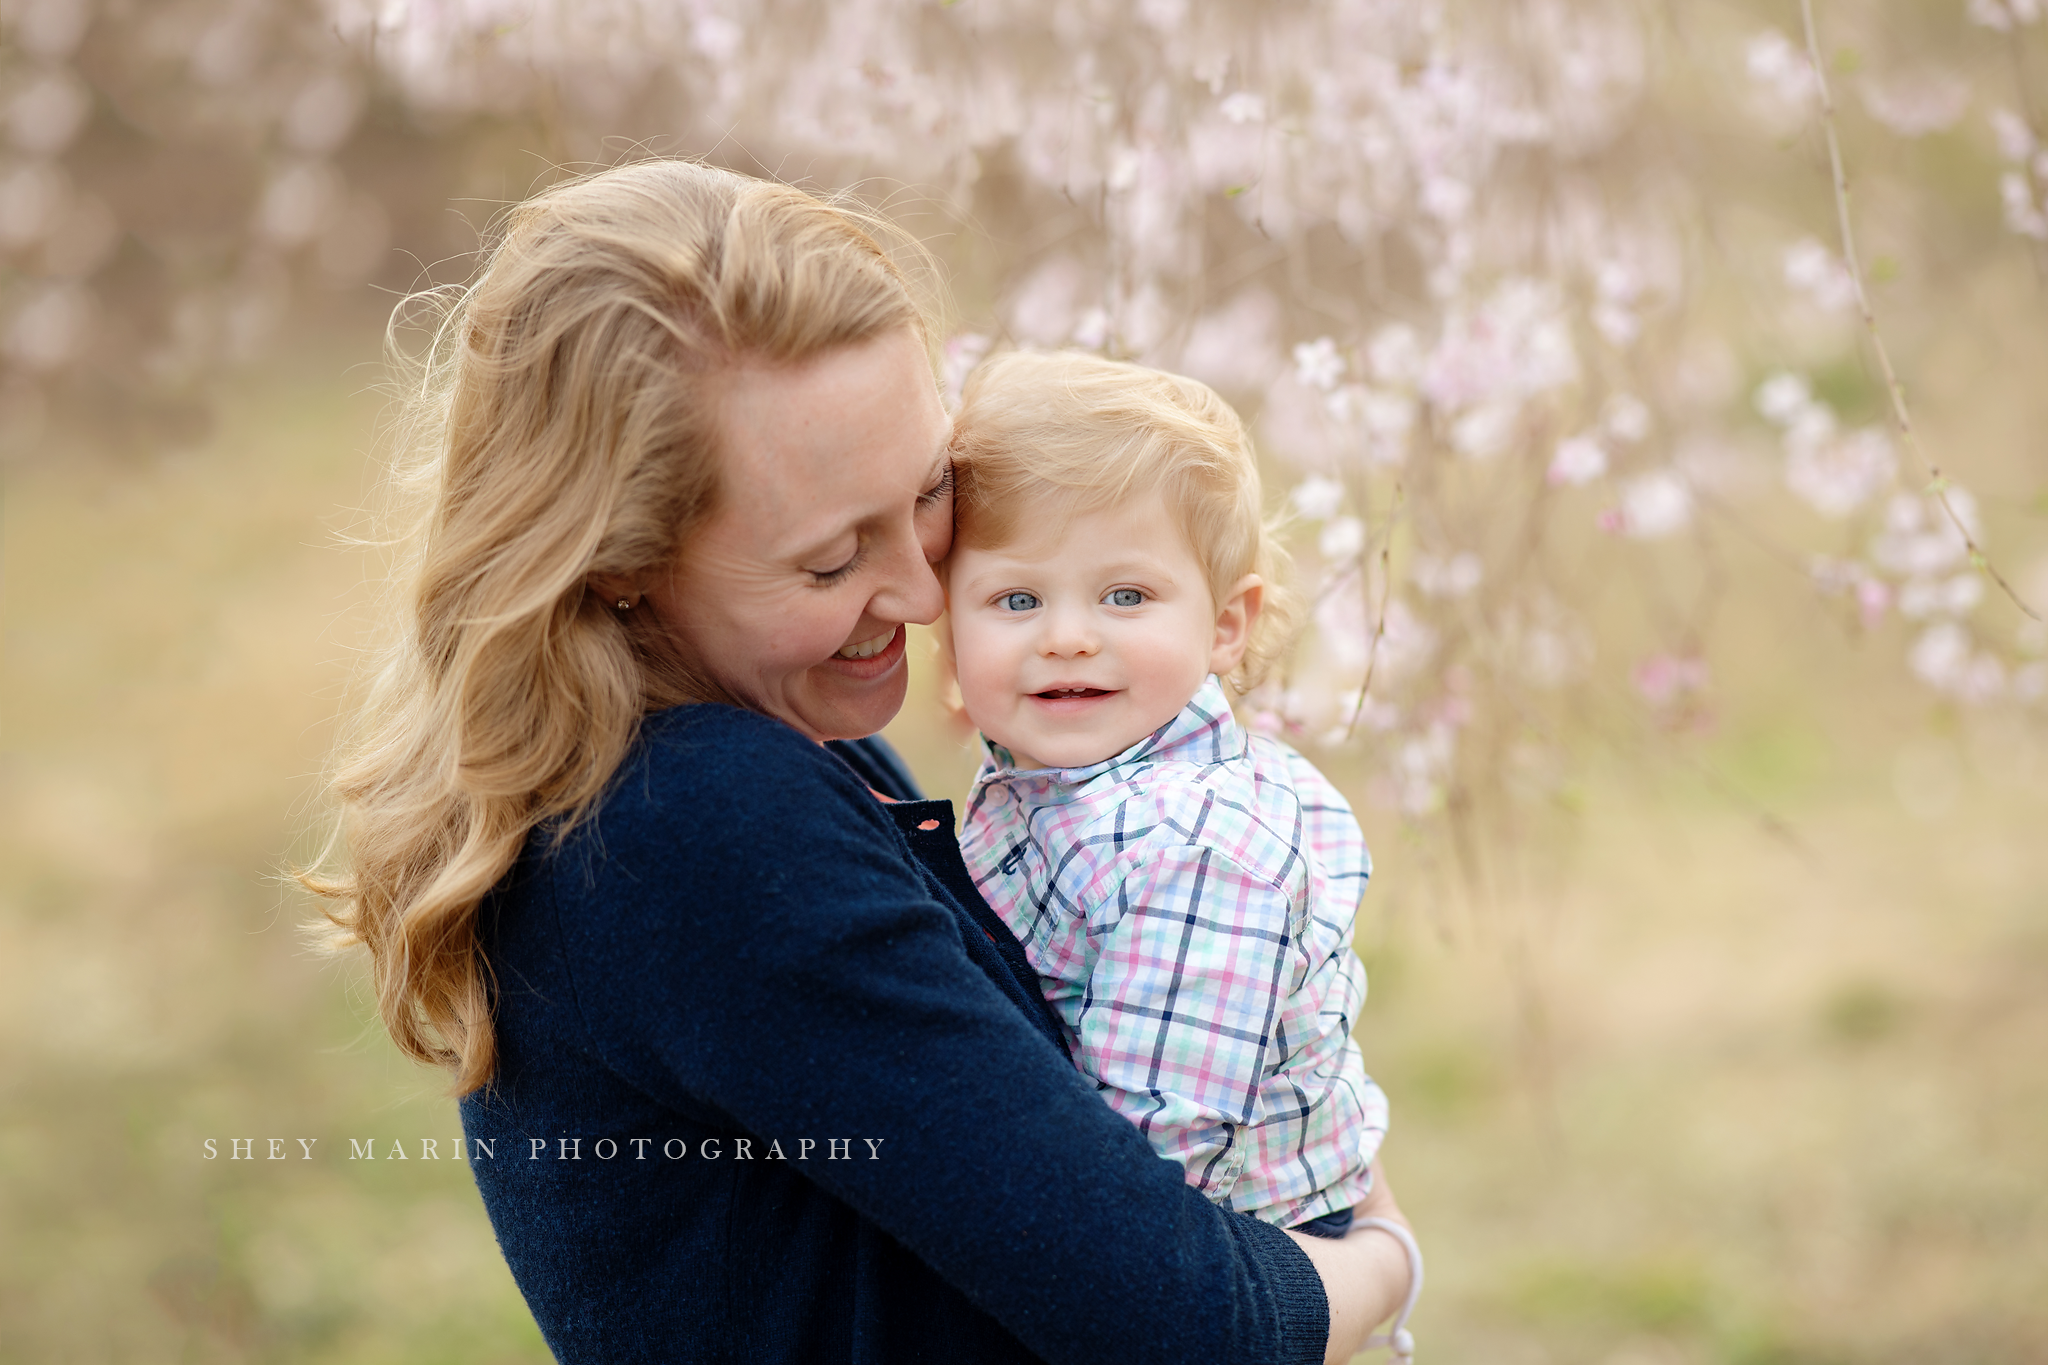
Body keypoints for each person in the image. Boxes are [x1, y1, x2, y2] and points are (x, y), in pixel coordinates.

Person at [304, 157, 1415, 1364]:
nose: (920, 587)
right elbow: (1187, 1324)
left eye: (930, 489)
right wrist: (1379, 1259)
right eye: (831, 561)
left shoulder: (762, 752)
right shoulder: (693, 823)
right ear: (619, 560)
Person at [945, 351, 1395, 1242]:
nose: (1068, 637)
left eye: (1126, 594)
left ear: (1226, 625)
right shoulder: (1065, 774)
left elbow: (1157, 1147)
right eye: (1016, 597)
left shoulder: (1193, 845)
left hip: (1230, 1237)